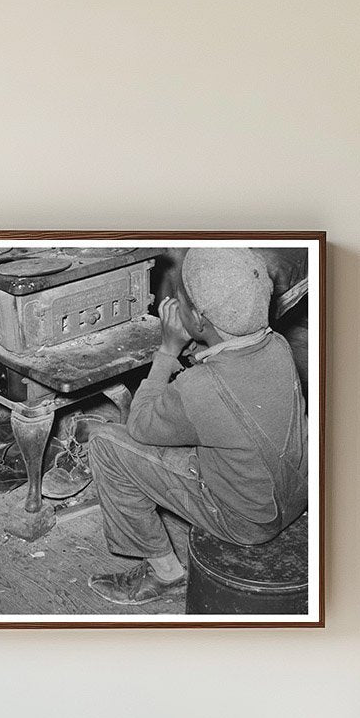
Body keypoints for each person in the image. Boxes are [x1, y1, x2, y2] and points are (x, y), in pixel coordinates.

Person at [87, 247, 308, 606]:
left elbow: (140, 425)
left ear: (200, 322)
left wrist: (167, 352)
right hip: (292, 496)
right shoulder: (279, 347)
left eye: (182, 301)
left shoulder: (199, 388)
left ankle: (165, 575)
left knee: (106, 445)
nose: (175, 303)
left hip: (244, 522)